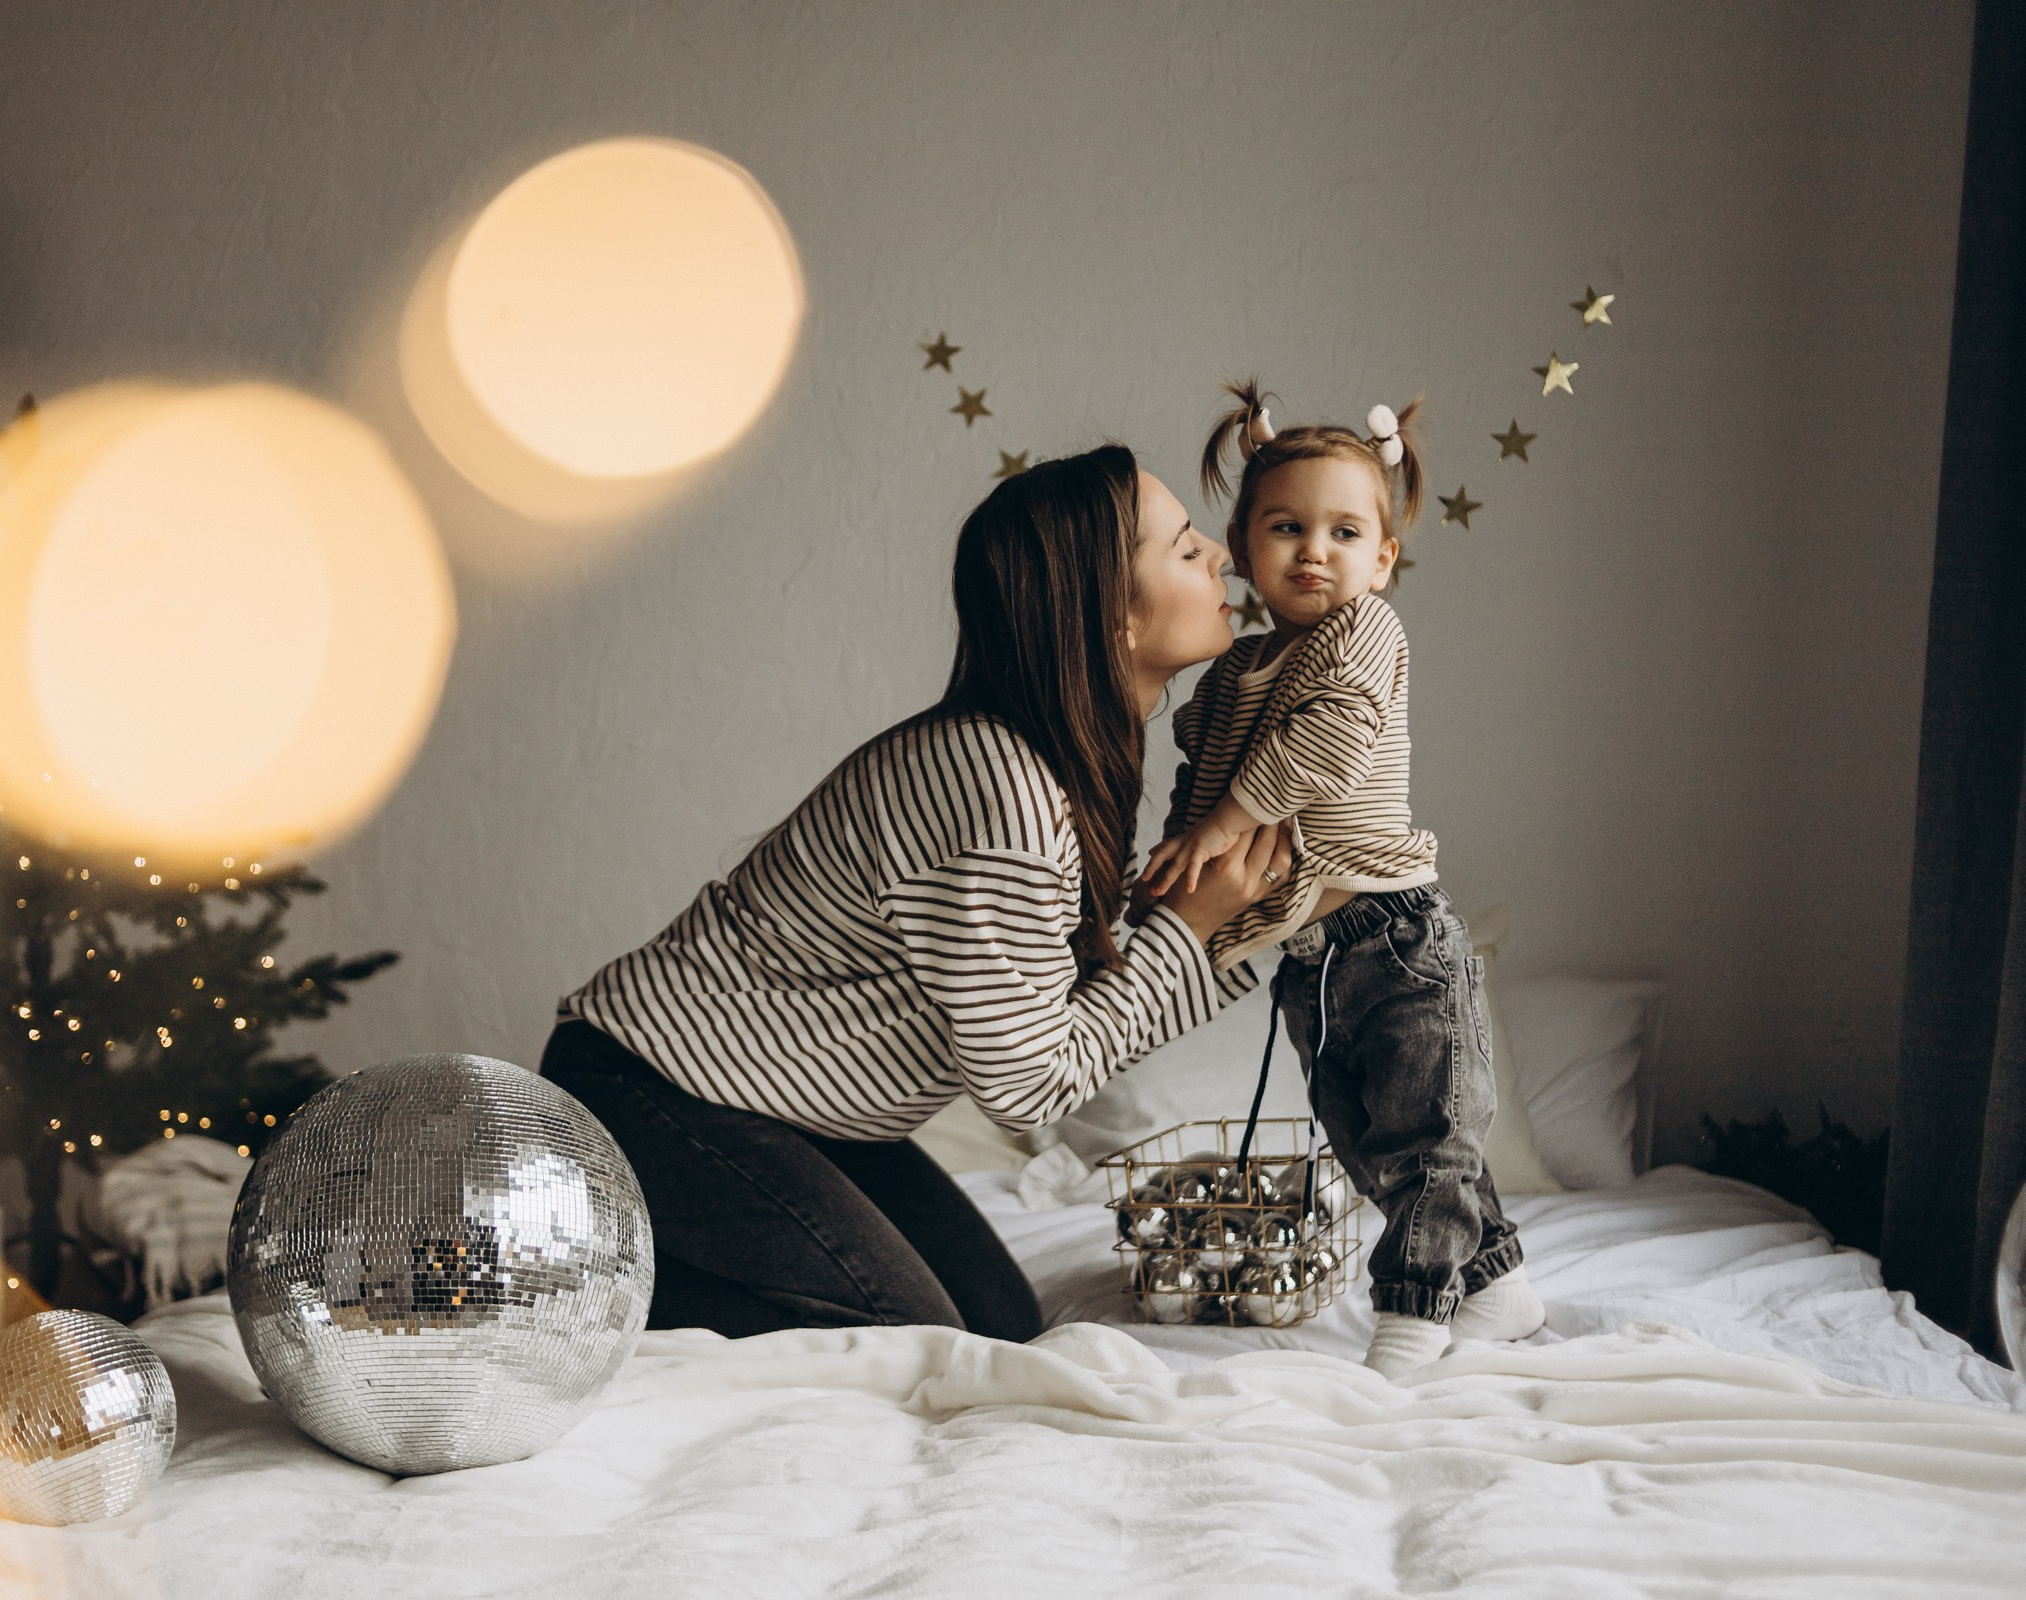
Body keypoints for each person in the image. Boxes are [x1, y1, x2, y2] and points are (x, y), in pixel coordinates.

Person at [542, 445, 1292, 1341]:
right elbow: (1027, 1089)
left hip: (793, 1109)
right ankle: (557, 1295)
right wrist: (1186, 933)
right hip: (658, 1091)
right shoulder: (998, 782)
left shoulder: (1055, 769)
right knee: (913, 1336)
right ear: (1114, 619)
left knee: (1001, 1327)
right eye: (1182, 548)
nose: (1218, 553)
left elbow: (1058, 1025)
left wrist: (1223, 932)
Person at [1139, 381, 1543, 1377]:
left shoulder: (1364, 635)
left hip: (1396, 935)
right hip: (1312, 955)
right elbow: (1208, 783)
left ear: (1383, 557)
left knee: (1431, 1135)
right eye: (1286, 527)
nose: (1314, 550)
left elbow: (1326, 744)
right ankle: (1499, 1284)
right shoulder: (1234, 673)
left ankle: (1411, 1312)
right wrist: (1178, 856)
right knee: (1368, 1139)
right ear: (1244, 547)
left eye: (1344, 531)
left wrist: (1233, 817)